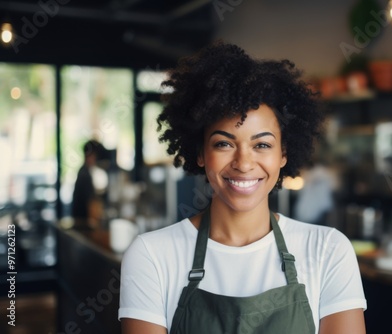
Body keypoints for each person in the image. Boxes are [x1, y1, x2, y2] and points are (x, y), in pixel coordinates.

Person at [119, 41, 367, 334]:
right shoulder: (152, 255)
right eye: (224, 143)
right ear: (200, 153)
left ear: (283, 154)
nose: (244, 163)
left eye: (262, 144)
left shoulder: (328, 251)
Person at [71, 139, 103, 229]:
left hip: (80, 221)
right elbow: (90, 203)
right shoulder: (84, 174)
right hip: (82, 224)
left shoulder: (84, 171)